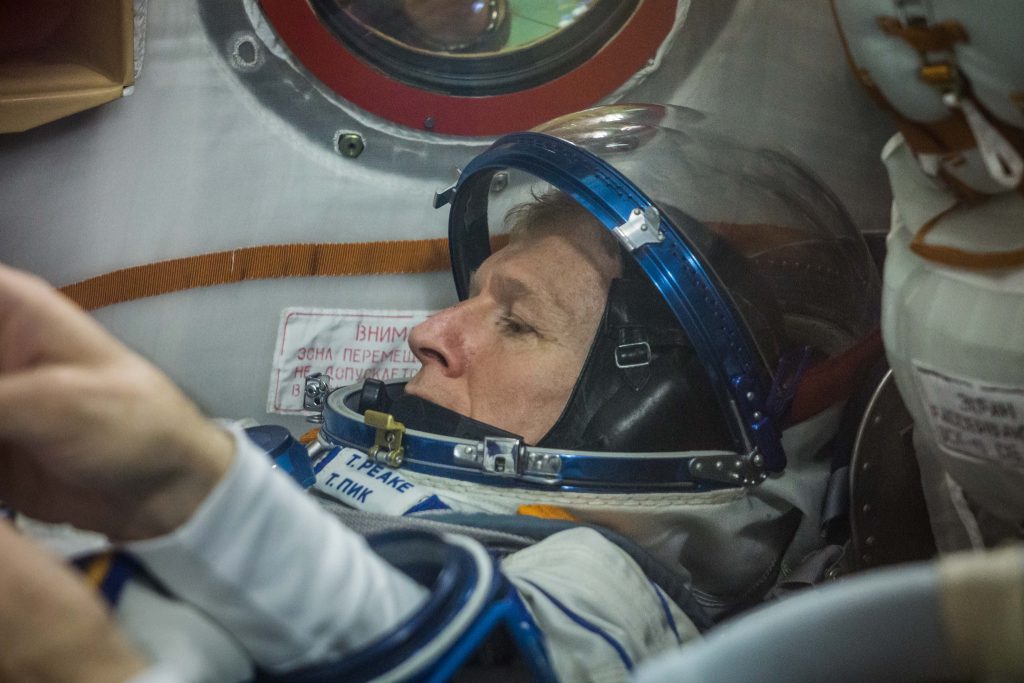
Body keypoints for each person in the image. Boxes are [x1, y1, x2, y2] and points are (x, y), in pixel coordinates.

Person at [0, 103, 882, 681]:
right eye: (473, 297)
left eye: (517, 322)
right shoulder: (276, 452)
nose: (431, 332)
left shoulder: (605, 589)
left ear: (642, 420)